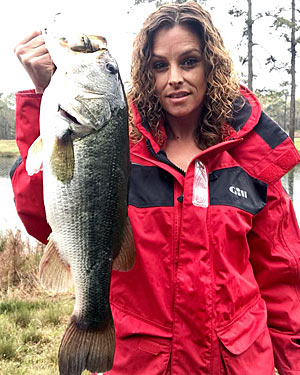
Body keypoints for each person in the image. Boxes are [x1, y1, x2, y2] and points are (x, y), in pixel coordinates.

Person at [11, 2, 300, 374]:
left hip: (239, 362)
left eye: (189, 61)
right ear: (146, 74)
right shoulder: (118, 149)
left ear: (211, 65)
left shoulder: (252, 154)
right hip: (140, 364)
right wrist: (41, 98)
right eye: (160, 65)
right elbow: (41, 220)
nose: (174, 77)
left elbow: (282, 277)